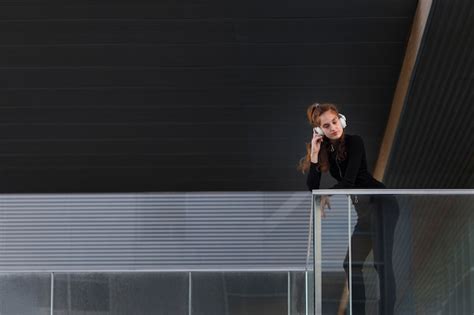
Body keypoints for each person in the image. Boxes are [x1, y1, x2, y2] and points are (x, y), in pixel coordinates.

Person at [298, 102, 400, 315]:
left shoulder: (355, 142)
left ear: (341, 119)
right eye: (326, 126)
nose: (333, 127)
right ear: (319, 131)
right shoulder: (325, 151)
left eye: (335, 121)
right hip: (363, 215)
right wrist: (315, 155)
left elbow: (350, 180)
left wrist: (328, 193)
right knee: (350, 264)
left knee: (381, 264)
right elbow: (312, 187)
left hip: (382, 205)